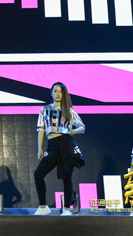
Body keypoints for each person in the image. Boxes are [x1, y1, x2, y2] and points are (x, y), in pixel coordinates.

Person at [34, 82, 85, 216]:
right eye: (55, 91)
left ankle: (67, 209)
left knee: (67, 177)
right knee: (38, 174)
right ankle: (43, 207)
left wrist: (74, 131)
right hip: (52, 145)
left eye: (60, 91)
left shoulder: (69, 110)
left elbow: (82, 127)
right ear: (51, 93)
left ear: (64, 94)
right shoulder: (44, 109)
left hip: (66, 144)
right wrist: (39, 148)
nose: (57, 94)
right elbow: (41, 129)